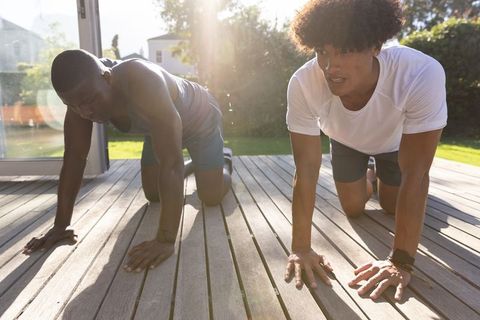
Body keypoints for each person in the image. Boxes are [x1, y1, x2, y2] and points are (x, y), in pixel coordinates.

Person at [284, 0, 447, 301]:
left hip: (395, 146)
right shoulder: (303, 83)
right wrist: (301, 248)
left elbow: (417, 172)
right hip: (345, 141)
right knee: (354, 209)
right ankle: (369, 176)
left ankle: (381, 174)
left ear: (375, 46)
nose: (330, 67)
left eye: (344, 52)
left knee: (390, 206)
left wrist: (401, 261)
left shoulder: (420, 73)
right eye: (322, 52)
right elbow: (305, 169)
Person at [22, 49, 232, 272]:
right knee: (153, 194)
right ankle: (193, 166)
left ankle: (224, 160)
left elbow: (170, 163)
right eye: (72, 105)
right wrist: (60, 225)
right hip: (159, 128)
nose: (84, 112)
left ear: (107, 78)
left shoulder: (143, 82)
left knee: (210, 196)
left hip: (200, 118)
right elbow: (75, 156)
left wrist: (165, 240)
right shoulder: (82, 93)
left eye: (89, 101)